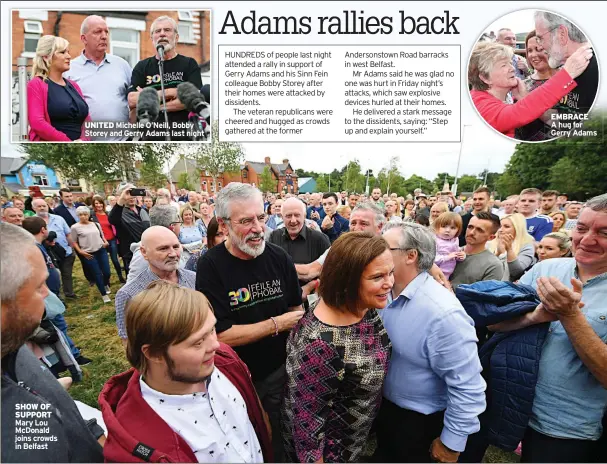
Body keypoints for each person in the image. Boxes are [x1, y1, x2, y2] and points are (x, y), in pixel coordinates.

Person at [490, 193, 607, 462]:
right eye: (581, 228)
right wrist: (536, 316)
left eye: (604, 232)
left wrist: (569, 315)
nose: (587, 239)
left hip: (566, 428)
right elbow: (494, 323)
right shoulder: (546, 268)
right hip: (514, 406)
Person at [99, 281, 272, 463]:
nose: (215, 345)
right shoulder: (135, 450)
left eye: (211, 329)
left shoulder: (223, 359)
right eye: (198, 342)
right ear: (153, 353)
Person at [196, 183, 304, 461]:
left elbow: (295, 309)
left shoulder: (279, 258)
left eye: (261, 217)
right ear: (223, 224)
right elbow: (219, 336)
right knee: (245, 439)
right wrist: (276, 324)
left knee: (279, 436)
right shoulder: (210, 266)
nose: (258, 228)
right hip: (234, 378)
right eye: (246, 221)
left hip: (279, 372)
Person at [375, 222, 486, 463]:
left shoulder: (442, 314)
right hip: (388, 413)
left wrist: (451, 443)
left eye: (384, 248)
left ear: (410, 256)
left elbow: (467, 386)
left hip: (420, 425)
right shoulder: (385, 293)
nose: (375, 253)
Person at [282, 232, 393, 463]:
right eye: (378, 277)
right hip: (332, 453)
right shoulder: (319, 344)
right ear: (347, 279)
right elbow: (306, 429)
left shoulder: (363, 306)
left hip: (355, 437)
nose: (389, 283)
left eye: (391, 272)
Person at [0, 223, 105, 463]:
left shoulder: (12, 348)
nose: (48, 294)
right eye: (39, 287)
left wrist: (98, 438)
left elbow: (61, 409)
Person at [468, 41, 592, 138]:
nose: (512, 68)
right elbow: (520, 112)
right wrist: (567, 74)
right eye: (503, 65)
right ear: (485, 77)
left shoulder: (482, 99)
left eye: (510, 63)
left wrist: (524, 97)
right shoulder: (480, 106)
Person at [115, 226, 196, 344]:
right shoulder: (129, 294)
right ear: (144, 252)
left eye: (176, 246)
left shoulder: (194, 278)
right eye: (163, 249)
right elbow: (129, 342)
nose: (173, 254)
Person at [128, 16, 202, 140]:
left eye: (167, 30)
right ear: (152, 38)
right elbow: (132, 99)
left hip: (182, 135)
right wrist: (173, 93)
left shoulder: (189, 64)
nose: (162, 34)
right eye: (157, 31)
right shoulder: (142, 67)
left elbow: (191, 99)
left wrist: (151, 101)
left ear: (176, 37)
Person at [63, 15, 132, 141]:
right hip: (86, 146)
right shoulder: (69, 70)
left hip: (122, 142)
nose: (104, 36)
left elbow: (134, 100)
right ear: (84, 38)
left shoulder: (122, 65)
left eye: (106, 32)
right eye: (98, 32)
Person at [27, 35, 91, 141]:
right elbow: (37, 122)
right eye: (62, 52)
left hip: (81, 151)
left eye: (68, 52)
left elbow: (87, 119)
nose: (69, 56)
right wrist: (68, 143)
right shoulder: (36, 84)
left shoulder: (74, 86)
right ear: (46, 56)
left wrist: (83, 141)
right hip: (52, 150)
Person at [534, 11, 598, 114]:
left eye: (540, 38)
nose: (539, 46)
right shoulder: (566, 69)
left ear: (562, 34)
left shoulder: (598, 71)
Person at [269, 198, 330, 282]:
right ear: (282, 217)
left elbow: (328, 273)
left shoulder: (320, 239)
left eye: (297, 215)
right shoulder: (274, 236)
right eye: (288, 216)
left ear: (304, 216)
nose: (293, 220)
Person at [514, 31, 560, 141]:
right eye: (529, 50)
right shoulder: (522, 85)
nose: (533, 55)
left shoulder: (568, 80)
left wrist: (527, 100)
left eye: (539, 49)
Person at [31, 198, 79, 299]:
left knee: (67, 274)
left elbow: (68, 233)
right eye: (39, 206)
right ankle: (56, 296)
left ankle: (69, 293)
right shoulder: (32, 222)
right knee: (53, 276)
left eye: (44, 205)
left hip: (65, 251)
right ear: (33, 208)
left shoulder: (58, 218)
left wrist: (71, 248)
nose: (42, 208)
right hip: (46, 255)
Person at [451, 212, 504, 288]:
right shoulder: (450, 250)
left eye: (479, 230)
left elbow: (482, 297)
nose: (472, 232)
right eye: (470, 227)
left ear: (491, 237)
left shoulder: (493, 265)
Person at [71, 206, 112, 303]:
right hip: (88, 253)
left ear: (88, 215)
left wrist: (105, 242)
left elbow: (101, 235)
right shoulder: (75, 227)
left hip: (101, 250)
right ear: (78, 216)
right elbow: (74, 241)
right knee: (97, 273)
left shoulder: (96, 224)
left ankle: (105, 283)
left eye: (85, 214)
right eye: (81, 215)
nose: (83, 217)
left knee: (107, 272)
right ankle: (103, 294)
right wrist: (80, 251)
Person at [109, 184, 151, 274]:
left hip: (148, 252)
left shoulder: (143, 210)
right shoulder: (120, 212)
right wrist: (121, 200)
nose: (131, 197)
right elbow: (112, 219)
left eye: (133, 193)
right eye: (128, 194)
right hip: (131, 256)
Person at [488, 213, 536, 282]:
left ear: (518, 229)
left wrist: (509, 250)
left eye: (506, 226)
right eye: (500, 226)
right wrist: (497, 253)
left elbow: (516, 272)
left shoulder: (526, 246)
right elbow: (483, 267)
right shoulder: (489, 242)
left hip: (507, 288)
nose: (500, 230)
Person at [92, 195, 125, 283]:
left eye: (100, 203)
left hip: (112, 239)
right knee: (103, 262)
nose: (98, 205)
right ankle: (106, 279)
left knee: (115, 260)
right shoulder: (92, 216)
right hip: (101, 241)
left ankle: (120, 276)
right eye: (96, 203)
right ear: (94, 205)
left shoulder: (108, 214)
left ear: (103, 204)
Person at [432, 212, 465, 281]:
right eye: (444, 226)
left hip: (448, 273)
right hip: (434, 273)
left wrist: (461, 255)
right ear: (437, 226)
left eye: (453, 228)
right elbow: (430, 259)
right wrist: (447, 257)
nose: (447, 230)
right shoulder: (434, 240)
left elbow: (455, 253)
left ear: (458, 230)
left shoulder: (455, 240)